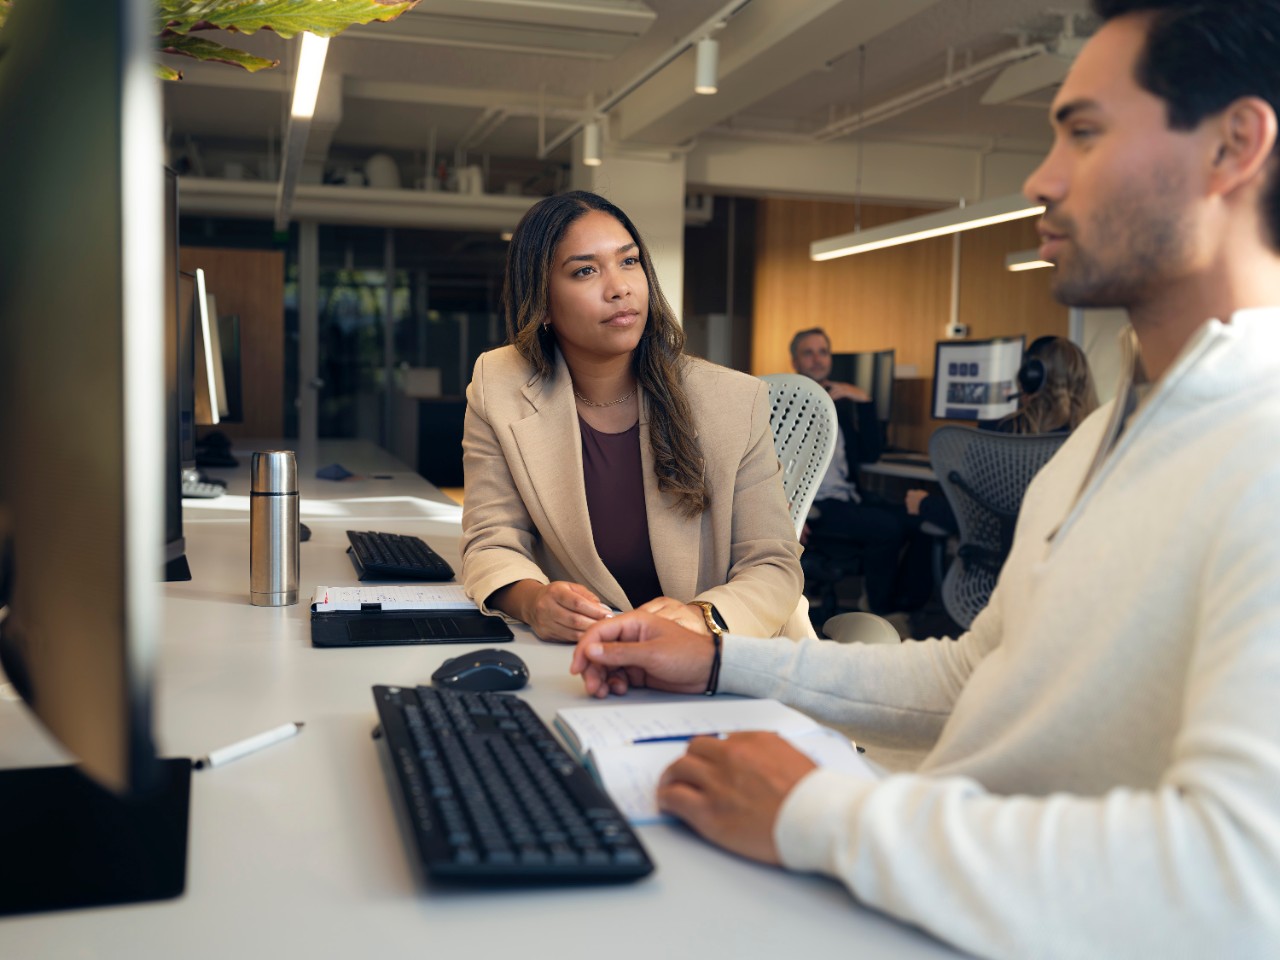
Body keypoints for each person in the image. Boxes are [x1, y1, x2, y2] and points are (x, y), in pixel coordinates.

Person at [569, 2, 1280, 955]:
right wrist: (720, 660)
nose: (1042, 178)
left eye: (1084, 132)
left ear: (1233, 147)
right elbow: (973, 676)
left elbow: (1241, 886)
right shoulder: (1104, 437)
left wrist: (821, 814)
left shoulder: (1262, 441)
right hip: (942, 897)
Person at [460, 191, 810, 644]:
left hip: (721, 655)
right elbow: (491, 540)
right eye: (585, 271)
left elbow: (773, 563)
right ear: (542, 302)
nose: (619, 288)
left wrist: (702, 618)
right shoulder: (498, 384)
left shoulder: (733, 400)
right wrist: (534, 602)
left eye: (629, 262)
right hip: (584, 655)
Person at [905, 334, 1100, 530]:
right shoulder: (1096, 437)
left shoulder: (997, 432)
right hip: (1059, 547)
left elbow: (971, 513)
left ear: (1029, 378)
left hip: (1002, 547)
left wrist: (925, 504)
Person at [789, 328, 912, 615]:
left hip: (846, 497)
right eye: (808, 353)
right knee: (888, 528)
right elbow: (775, 465)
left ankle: (899, 605)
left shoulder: (837, 406)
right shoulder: (788, 405)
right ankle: (880, 612)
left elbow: (871, 453)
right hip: (816, 506)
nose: (817, 359)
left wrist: (864, 400)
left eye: (823, 352)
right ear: (795, 361)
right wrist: (789, 511)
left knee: (914, 519)